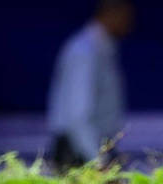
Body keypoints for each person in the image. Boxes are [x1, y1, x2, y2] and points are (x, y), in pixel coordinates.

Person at [46, 0, 133, 168]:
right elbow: (78, 115)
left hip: (93, 146)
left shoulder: (102, 48)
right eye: (126, 17)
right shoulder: (85, 51)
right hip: (79, 150)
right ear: (111, 13)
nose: (130, 24)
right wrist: (97, 160)